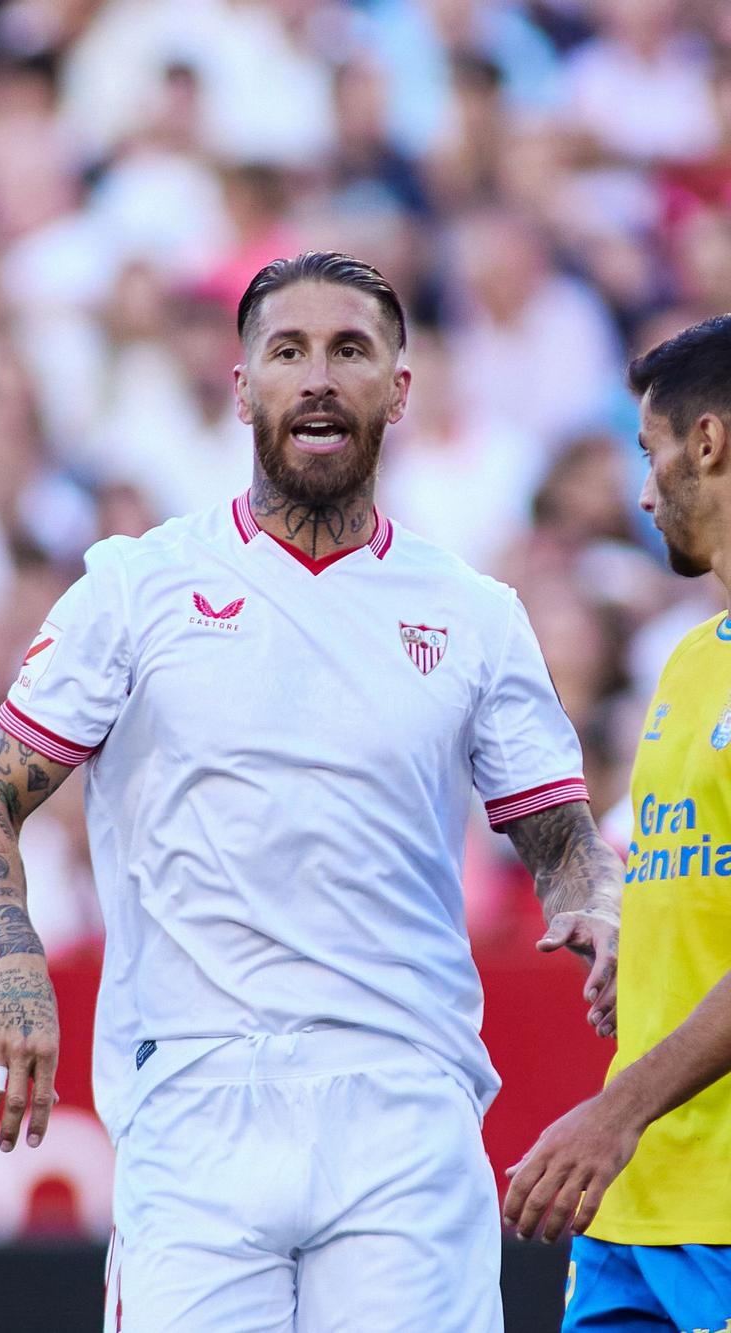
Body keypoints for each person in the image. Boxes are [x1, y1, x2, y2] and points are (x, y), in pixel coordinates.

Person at [0, 251, 624, 1331]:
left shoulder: (474, 612)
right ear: (241, 384)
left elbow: (557, 835)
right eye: (285, 350)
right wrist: (14, 966)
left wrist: (593, 900)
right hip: (196, 1093)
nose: (315, 376)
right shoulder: (133, 586)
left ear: (398, 388)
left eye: (348, 350)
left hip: (401, 1092)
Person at [505, 314, 731, 1330]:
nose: (642, 492)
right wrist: (636, 950)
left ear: (708, 442)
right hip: (633, 1214)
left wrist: (612, 1112)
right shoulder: (686, 659)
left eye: (649, 452)